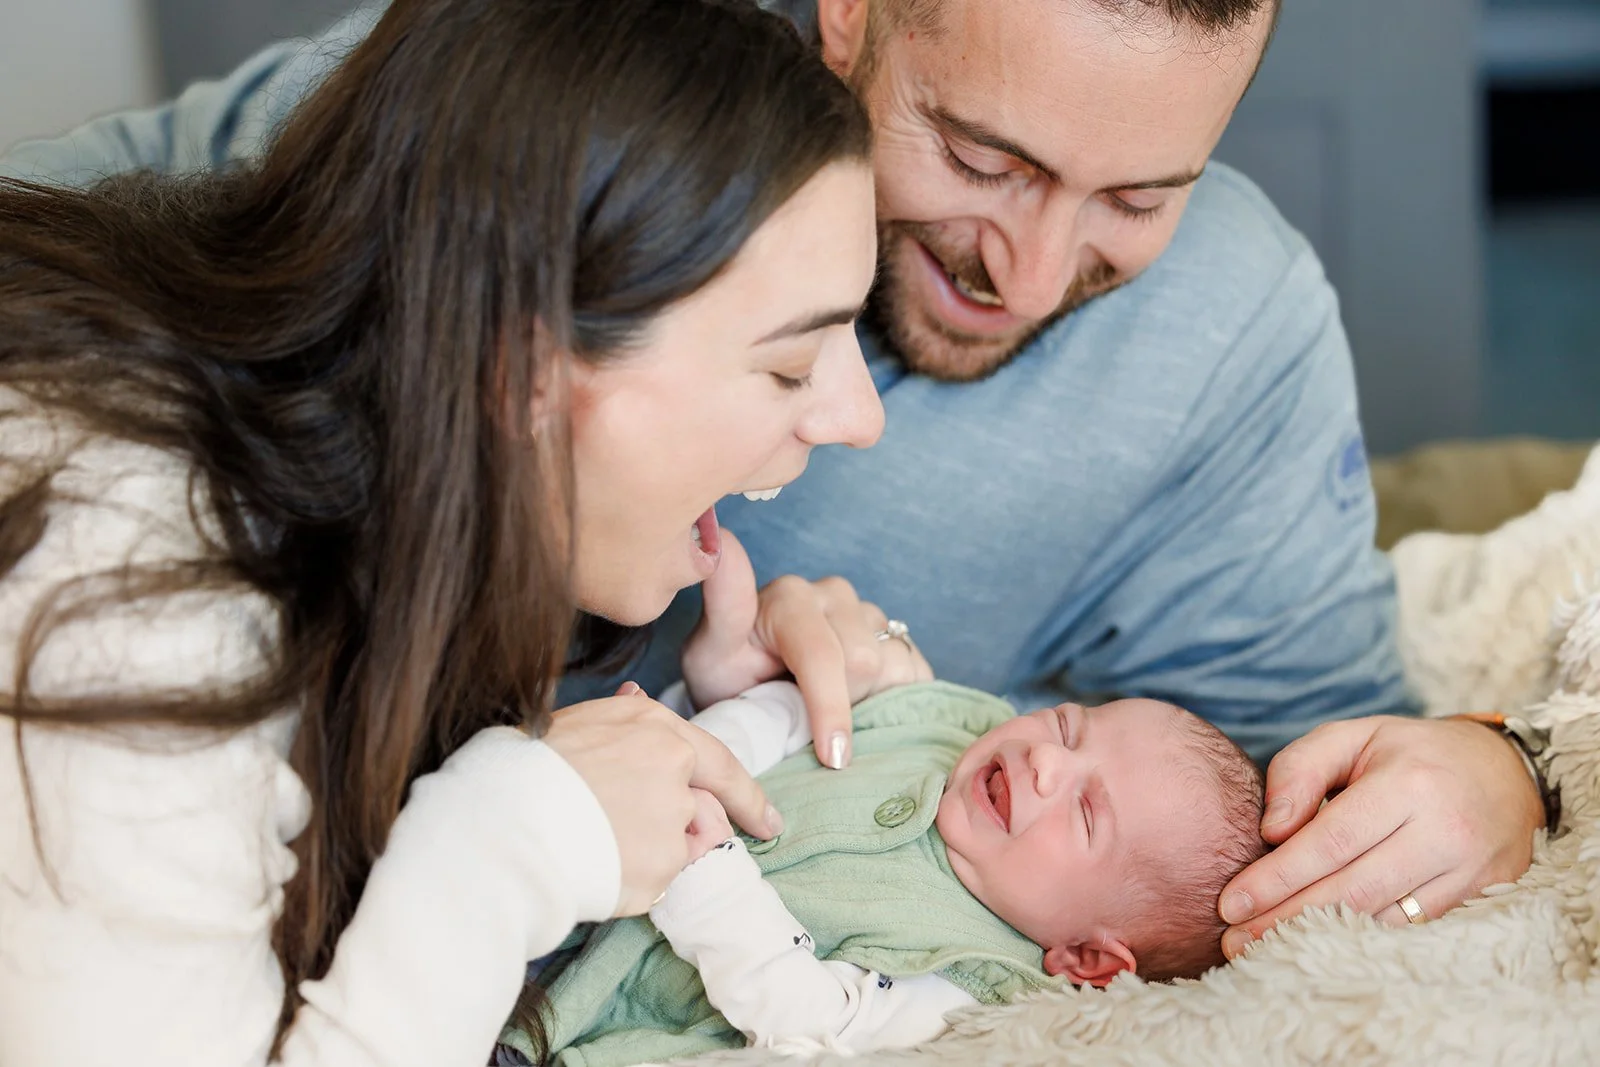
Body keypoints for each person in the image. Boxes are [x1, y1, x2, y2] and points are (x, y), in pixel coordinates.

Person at [1, 0, 1548, 974]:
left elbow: (1250, 800)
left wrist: (1499, 764)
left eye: (1140, 198)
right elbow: (130, 278)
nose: (1027, 269)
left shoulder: (1234, 334)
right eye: (981, 155)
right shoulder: (581, 99)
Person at [0, 2, 935, 1065]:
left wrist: (725, 712)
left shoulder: (371, 521)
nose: (860, 419)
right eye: (787, 362)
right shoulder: (124, 595)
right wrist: (514, 835)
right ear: (519, 368)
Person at [504, 679, 1264, 1064]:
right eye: (1068, 725)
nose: (1047, 758)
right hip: (571, 832)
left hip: (583, 1016)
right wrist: (702, 744)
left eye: (1085, 812)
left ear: (1087, 959)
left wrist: (707, 871)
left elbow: (815, 1020)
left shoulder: (973, 987)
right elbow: (813, 706)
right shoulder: (949, 725)